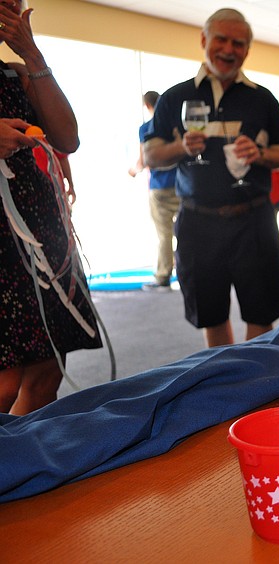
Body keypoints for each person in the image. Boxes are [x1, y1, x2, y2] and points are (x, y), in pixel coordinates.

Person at [144, 8, 279, 348]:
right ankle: (225, 387)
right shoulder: (174, 97)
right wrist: (181, 147)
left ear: (247, 49)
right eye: (221, 40)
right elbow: (151, 155)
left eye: (238, 43)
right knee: (211, 314)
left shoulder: (262, 99)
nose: (229, 49)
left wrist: (261, 154)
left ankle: (258, 384)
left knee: (261, 312)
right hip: (198, 223)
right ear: (204, 40)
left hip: (255, 220)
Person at [0, 2, 102, 414]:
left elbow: (67, 136)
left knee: (47, 368)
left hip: (37, 232)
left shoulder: (16, 73)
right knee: (4, 380)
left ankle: (19, 469)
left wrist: (32, 54)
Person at [129, 90, 179, 291]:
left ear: (148, 106)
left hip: (159, 188)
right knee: (185, 231)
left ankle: (163, 275)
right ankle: (188, 270)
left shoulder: (146, 129)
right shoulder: (174, 125)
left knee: (164, 235)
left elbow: (144, 161)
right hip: (180, 184)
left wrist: (133, 170)